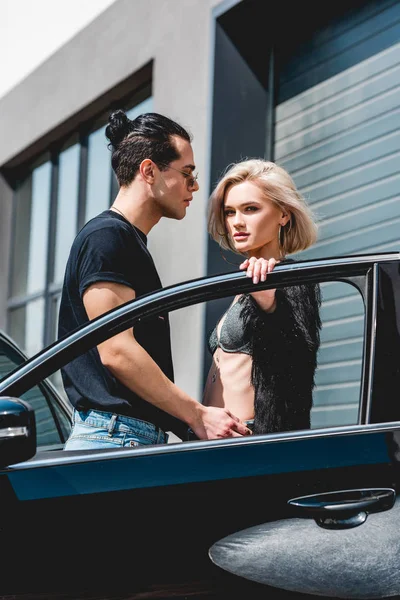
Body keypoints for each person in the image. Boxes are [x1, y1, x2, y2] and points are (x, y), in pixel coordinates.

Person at [59, 110, 251, 450]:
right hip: (114, 439)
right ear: (149, 171)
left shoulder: (128, 242)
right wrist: (197, 415)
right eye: (188, 174)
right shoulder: (107, 237)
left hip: (126, 437)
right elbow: (116, 350)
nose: (195, 186)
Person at [203, 158, 322, 435]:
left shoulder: (291, 278)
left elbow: (298, 358)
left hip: (250, 444)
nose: (237, 222)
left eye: (251, 209)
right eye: (230, 212)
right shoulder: (248, 282)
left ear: (283, 214)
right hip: (213, 445)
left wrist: (270, 306)